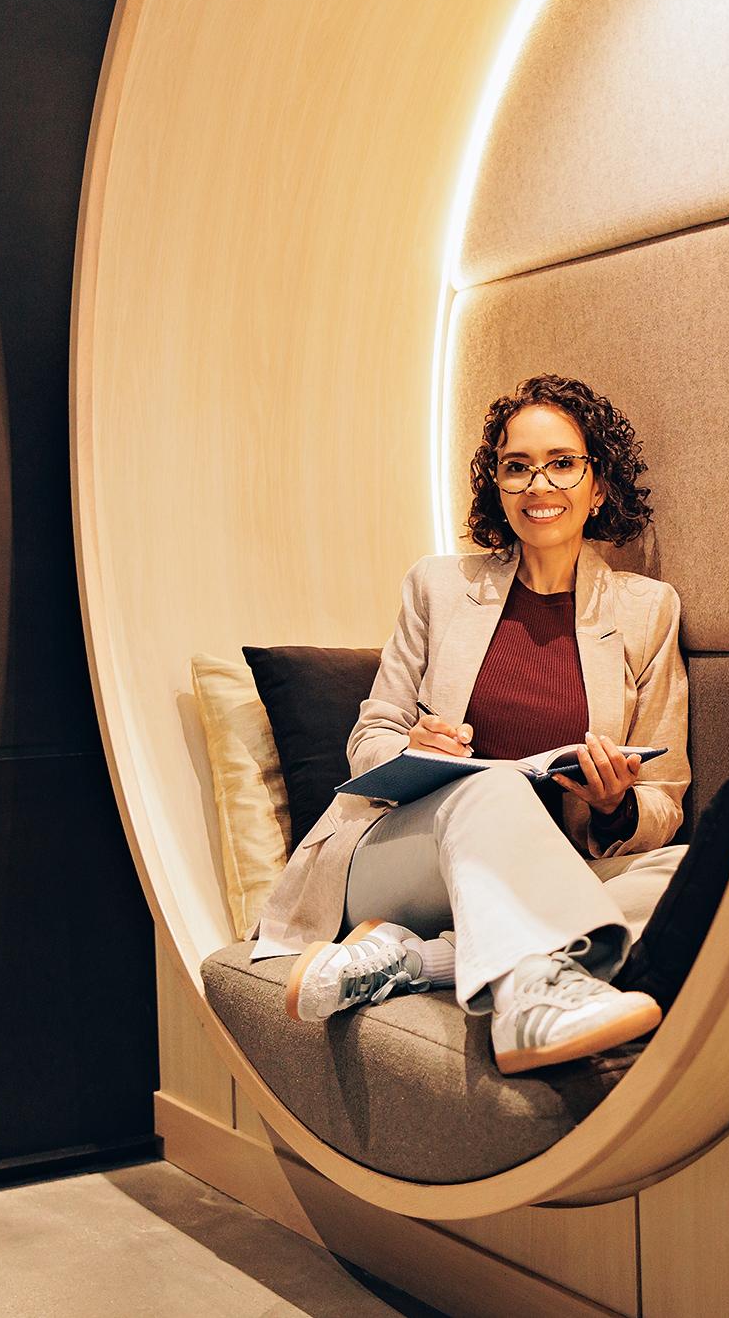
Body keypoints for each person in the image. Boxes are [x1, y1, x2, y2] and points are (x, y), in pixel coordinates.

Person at [247, 374, 690, 1075]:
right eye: (517, 467)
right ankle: (529, 1005)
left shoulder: (647, 610)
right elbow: (370, 740)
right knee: (496, 789)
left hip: (558, 860)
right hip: (403, 853)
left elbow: (665, 794)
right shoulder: (438, 586)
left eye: (562, 462)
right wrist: (411, 743)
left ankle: (421, 956)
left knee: (697, 870)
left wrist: (617, 806)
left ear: (598, 483)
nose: (538, 483)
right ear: (499, 486)